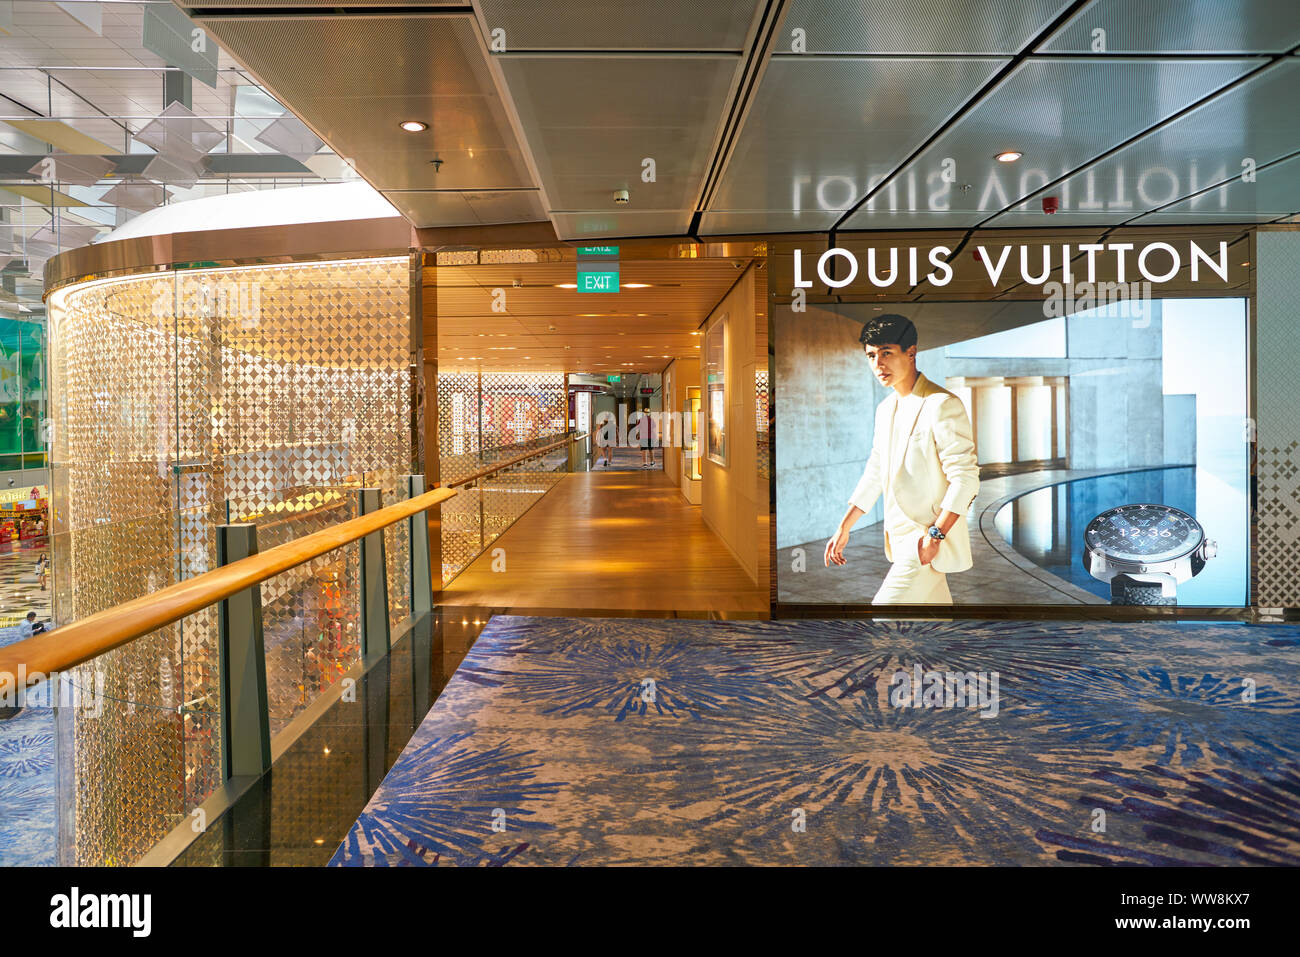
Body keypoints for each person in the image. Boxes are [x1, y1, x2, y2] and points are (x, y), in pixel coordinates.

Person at [823, 315, 980, 604]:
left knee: (882, 614)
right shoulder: (885, 409)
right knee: (934, 629)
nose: (878, 364)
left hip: (923, 541)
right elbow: (876, 469)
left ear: (911, 352)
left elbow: (966, 479)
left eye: (886, 353)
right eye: (871, 355)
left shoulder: (941, 404)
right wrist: (844, 527)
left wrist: (934, 537)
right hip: (900, 540)